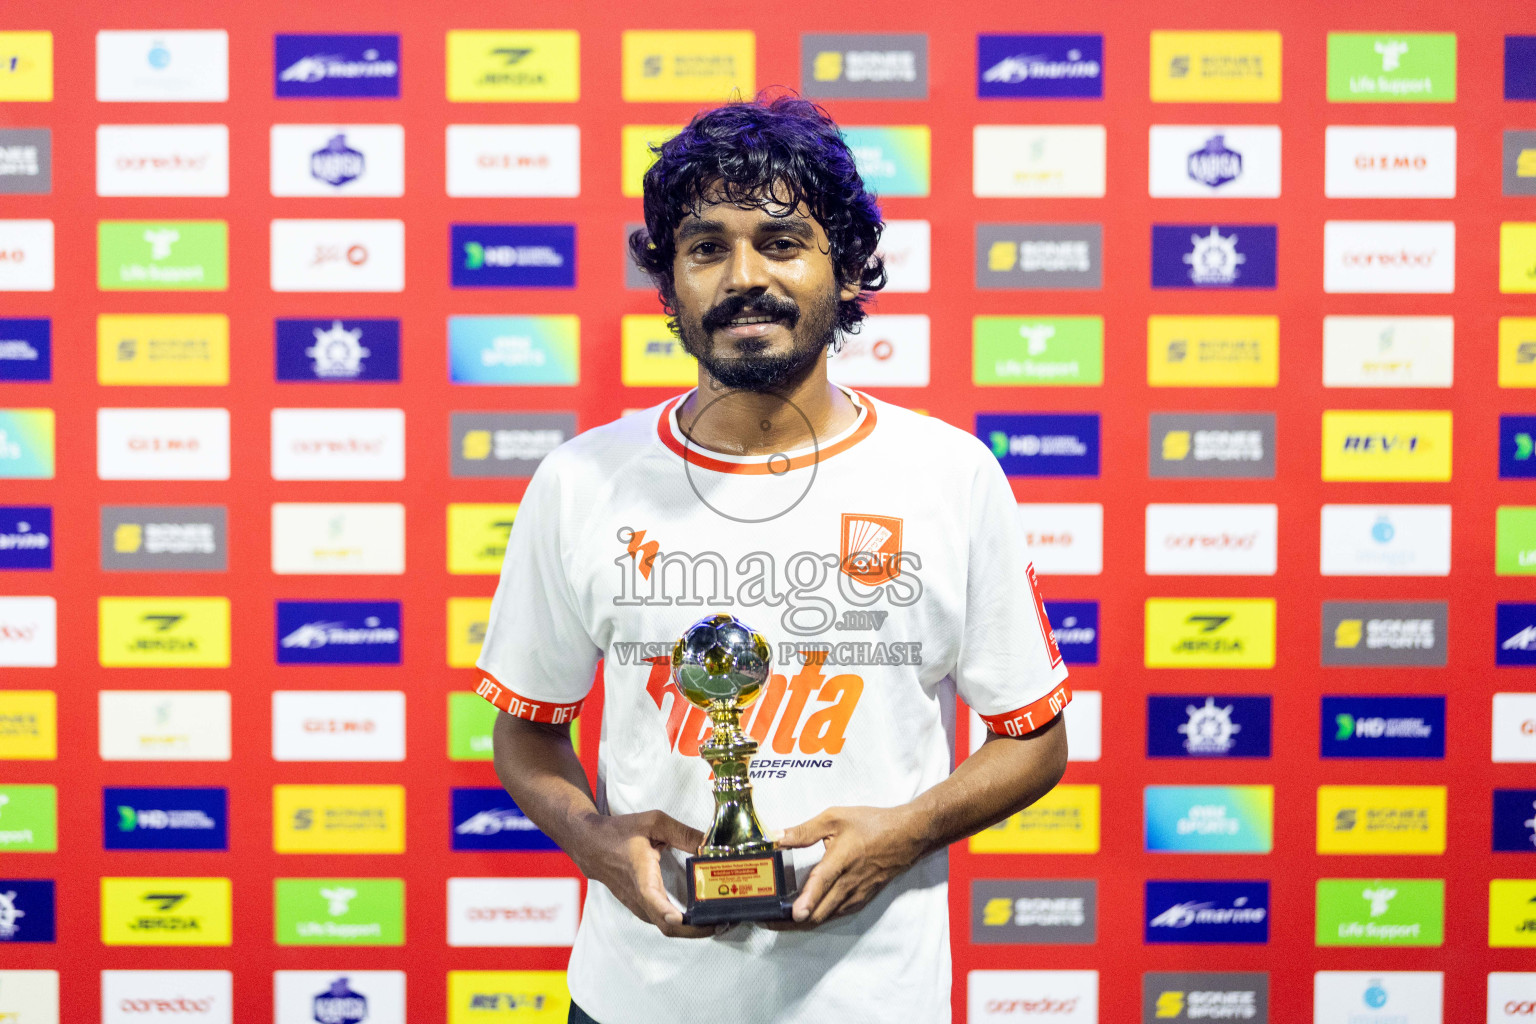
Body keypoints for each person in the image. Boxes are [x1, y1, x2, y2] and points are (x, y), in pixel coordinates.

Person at [478, 93, 1072, 1024]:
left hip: (874, 1000)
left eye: (783, 240)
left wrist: (904, 833)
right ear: (668, 278)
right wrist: (596, 840)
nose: (744, 276)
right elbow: (526, 732)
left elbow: (1034, 739)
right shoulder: (580, 481)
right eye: (706, 246)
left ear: (848, 266)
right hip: (638, 998)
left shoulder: (948, 474)